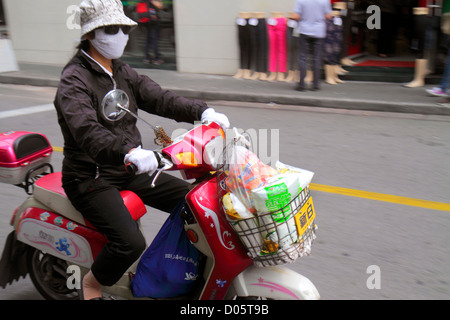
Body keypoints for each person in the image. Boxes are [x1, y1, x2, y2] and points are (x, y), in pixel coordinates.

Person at [53, 0, 230, 300]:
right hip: (91, 177)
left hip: (129, 167)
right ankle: (92, 284)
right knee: (130, 242)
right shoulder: (73, 82)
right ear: (89, 34)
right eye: (110, 29)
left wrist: (203, 112)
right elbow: (87, 131)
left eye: (123, 28)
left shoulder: (120, 70)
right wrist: (130, 152)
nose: (119, 35)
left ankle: (181, 271)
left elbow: (159, 98)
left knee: (197, 203)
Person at [292, 0, 332, 91]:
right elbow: (328, 16)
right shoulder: (325, 1)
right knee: (317, 58)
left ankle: (301, 84)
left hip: (304, 30)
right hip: (318, 31)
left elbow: (296, 16)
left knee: (303, 57)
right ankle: (315, 85)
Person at [138, 0, 164, 65]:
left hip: (144, 20)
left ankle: (147, 58)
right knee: (154, 38)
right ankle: (156, 59)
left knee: (148, 39)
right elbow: (160, 5)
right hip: (152, 20)